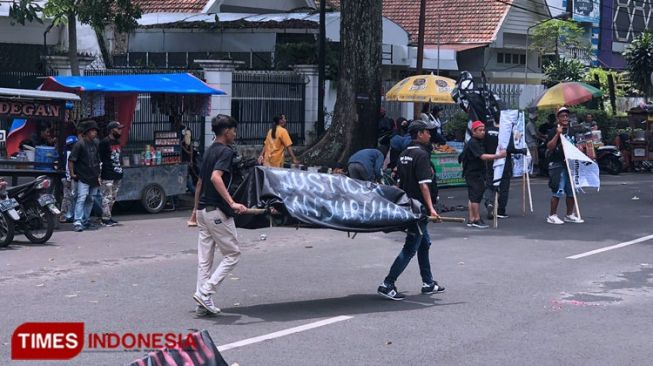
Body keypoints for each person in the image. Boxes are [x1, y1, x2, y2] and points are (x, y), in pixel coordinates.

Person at [377, 119, 444, 300]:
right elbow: (424, 186)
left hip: (409, 205)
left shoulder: (405, 153)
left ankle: (428, 283)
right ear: (419, 134)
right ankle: (387, 284)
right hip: (419, 209)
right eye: (427, 132)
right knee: (410, 248)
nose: (430, 135)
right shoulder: (422, 155)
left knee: (424, 244)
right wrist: (432, 209)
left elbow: (399, 182)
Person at [193, 115, 248, 315]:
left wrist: (194, 211)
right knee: (233, 254)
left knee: (205, 260)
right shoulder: (225, 152)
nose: (235, 134)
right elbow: (216, 177)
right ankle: (206, 292)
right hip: (216, 211)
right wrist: (232, 203)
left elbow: (200, 183)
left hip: (202, 211)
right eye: (234, 130)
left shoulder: (208, 151)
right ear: (226, 131)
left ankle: (201, 302)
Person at [462, 121, 506, 228]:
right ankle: (476, 219)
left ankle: (471, 218)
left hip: (477, 172)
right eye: (480, 130)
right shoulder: (473, 143)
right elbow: (482, 156)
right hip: (473, 173)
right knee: (476, 196)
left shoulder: (478, 142)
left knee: (473, 196)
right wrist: (498, 156)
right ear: (473, 131)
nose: (483, 132)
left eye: (483, 130)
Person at [545, 107, 584, 225]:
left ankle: (569, 214)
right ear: (558, 118)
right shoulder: (553, 131)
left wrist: (579, 148)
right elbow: (549, 146)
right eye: (563, 116)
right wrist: (557, 134)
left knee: (571, 191)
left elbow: (576, 144)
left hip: (570, 164)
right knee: (558, 189)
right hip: (558, 164)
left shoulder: (571, 131)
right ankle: (552, 215)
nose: (565, 118)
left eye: (567, 116)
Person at [482, 118, 526, 220]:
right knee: (504, 187)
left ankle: (489, 202)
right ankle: (501, 210)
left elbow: (482, 146)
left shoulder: (487, 131)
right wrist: (521, 150)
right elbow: (510, 148)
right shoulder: (506, 132)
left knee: (490, 184)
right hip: (504, 163)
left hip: (491, 162)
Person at [69, 120, 101, 232]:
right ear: (87, 132)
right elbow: (71, 160)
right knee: (81, 198)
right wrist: (72, 174)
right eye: (92, 131)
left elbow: (98, 158)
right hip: (83, 176)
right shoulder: (80, 144)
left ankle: (85, 220)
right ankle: (77, 221)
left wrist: (99, 174)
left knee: (91, 199)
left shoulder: (97, 143)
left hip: (94, 175)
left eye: (95, 131)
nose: (94, 133)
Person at [99, 121, 124, 227]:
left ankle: (108, 217)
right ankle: (104, 219)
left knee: (113, 197)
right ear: (111, 130)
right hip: (107, 173)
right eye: (118, 129)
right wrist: (99, 174)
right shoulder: (104, 142)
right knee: (107, 197)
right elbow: (99, 158)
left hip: (117, 173)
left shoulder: (117, 141)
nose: (120, 130)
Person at [59, 135, 78, 223]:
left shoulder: (65, 152)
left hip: (66, 177)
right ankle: (63, 215)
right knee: (67, 197)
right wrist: (69, 178)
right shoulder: (69, 153)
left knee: (69, 197)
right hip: (68, 178)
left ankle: (68, 215)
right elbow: (67, 167)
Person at [525, 111, 540, 176]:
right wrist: (541, 138)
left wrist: (543, 136)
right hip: (531, 143)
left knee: (535, 158)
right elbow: (534, 135)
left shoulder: (533, 124)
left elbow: (538, 132)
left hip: (533, 143)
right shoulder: (530, 125)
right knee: (533, 158)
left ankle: (533, 171)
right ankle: (532, 172)